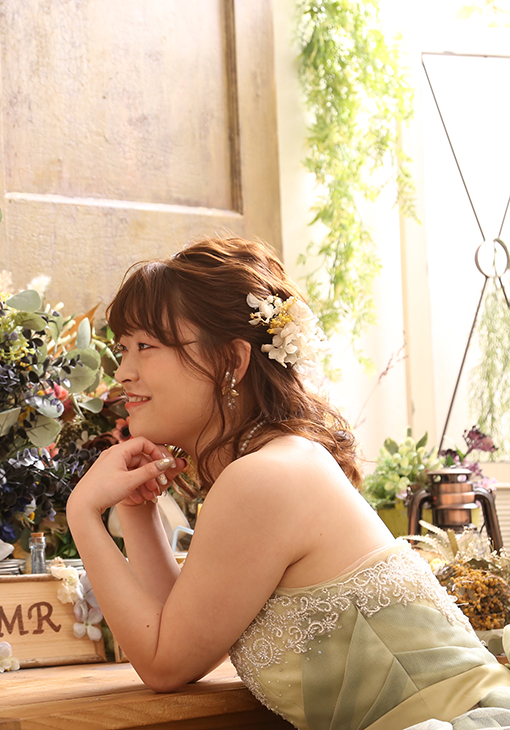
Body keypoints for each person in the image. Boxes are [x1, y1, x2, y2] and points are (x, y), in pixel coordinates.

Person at [66, 237, 510, 730]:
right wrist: (136, 508)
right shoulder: (270, 464)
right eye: (123, 348)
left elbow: (163, 663)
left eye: (145, 347)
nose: (123, 373)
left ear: (232, 361)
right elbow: (179, 638)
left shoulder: (263, 477)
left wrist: (83, 514)